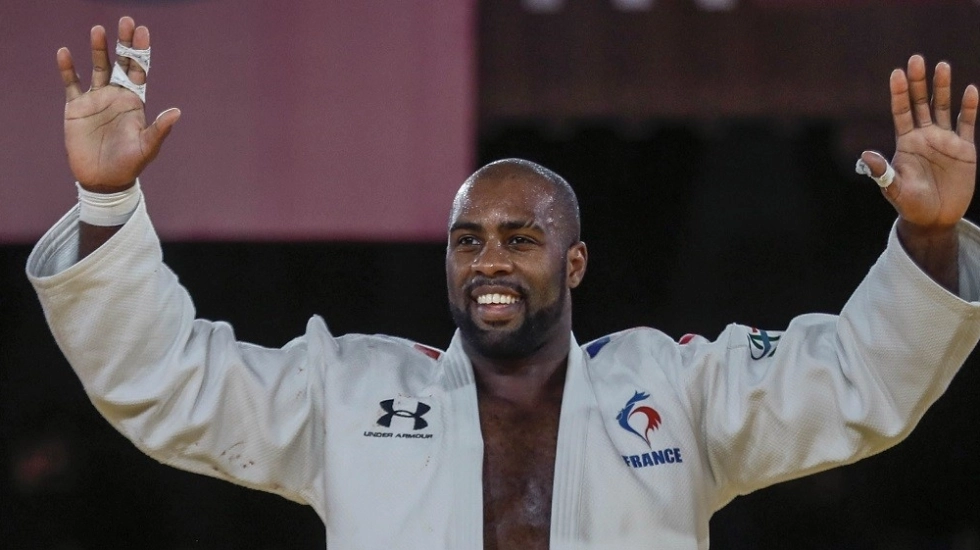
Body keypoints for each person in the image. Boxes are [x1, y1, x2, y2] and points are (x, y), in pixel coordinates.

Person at [28, 16, 979, 550]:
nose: (488, 260)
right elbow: (170, 384)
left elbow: (858, 385)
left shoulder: (674, 391)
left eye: (520, 239)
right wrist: (106, 202)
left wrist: (928, 239)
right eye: (467, 239)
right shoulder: (351, 393)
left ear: (573, 264)